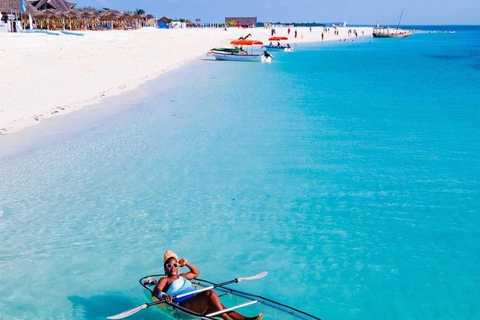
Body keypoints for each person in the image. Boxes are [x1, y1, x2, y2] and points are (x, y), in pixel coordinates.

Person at [153, 251, 262, 320]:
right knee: (209, 293)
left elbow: (196, 273)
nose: (172, 267)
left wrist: (187, 263)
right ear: (165, 268)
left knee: (221, 307)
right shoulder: (165, 279)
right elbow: (157, 290)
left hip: (196, 303)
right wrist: (163, 295)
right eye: (169, 265)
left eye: (175, 265)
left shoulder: (183, 276)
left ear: (178, 266)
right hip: (184, 306)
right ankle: (226, 319)